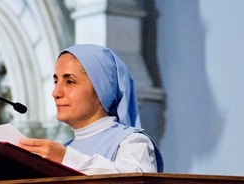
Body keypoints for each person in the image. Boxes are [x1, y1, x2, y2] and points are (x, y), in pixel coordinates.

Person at [18, 44, 163, 174]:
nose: (56, 93)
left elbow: (135, 183)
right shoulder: (65, 148)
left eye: (70, 82)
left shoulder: (133, 142)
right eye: (56, 81)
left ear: (102, 91)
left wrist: (66, 158)